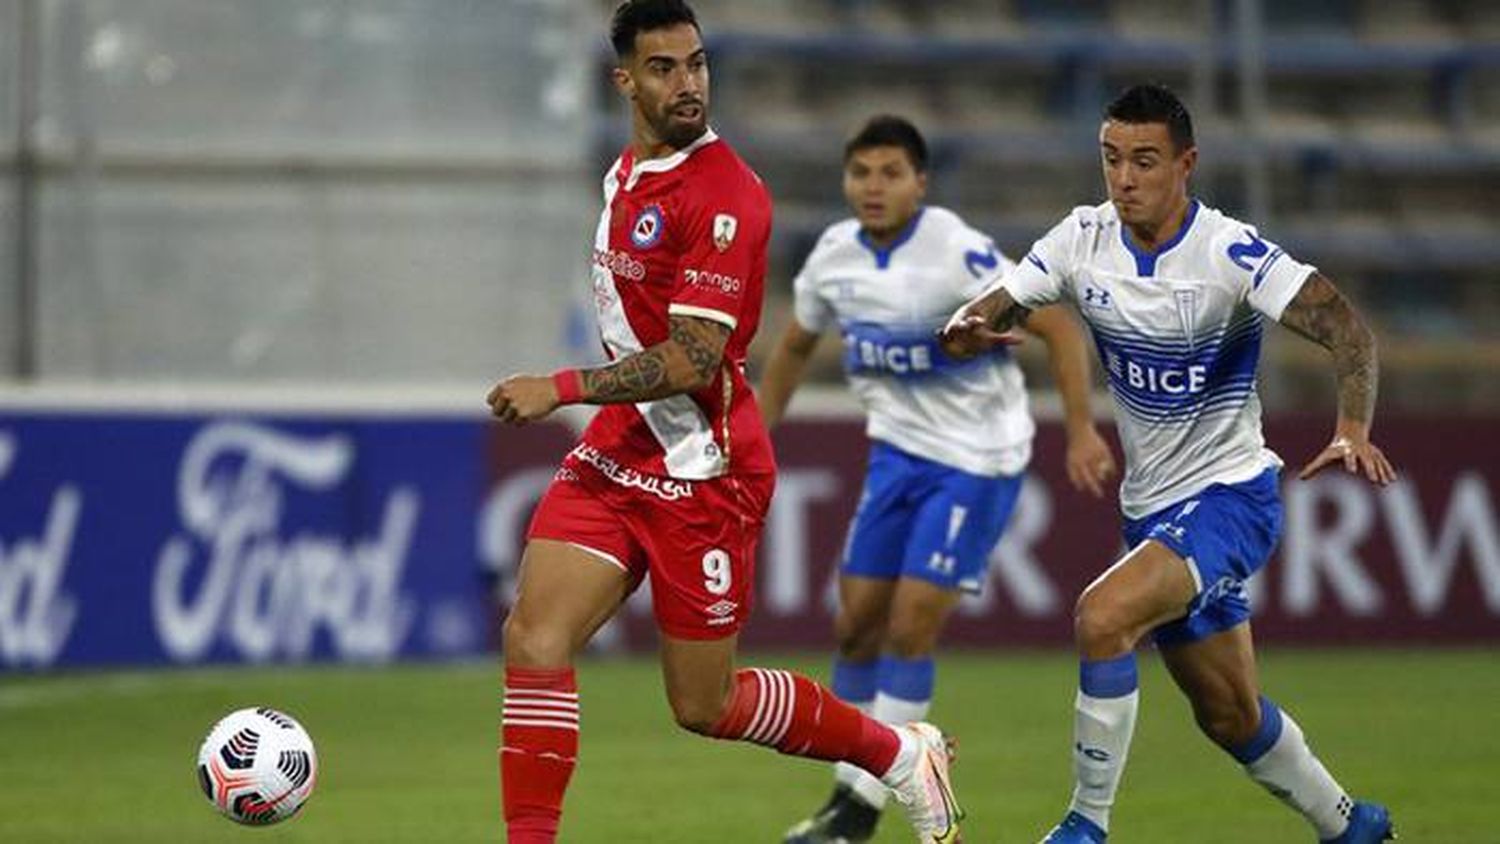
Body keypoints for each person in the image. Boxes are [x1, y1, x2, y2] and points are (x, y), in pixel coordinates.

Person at [485, 3, 962, 842]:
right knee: (533, 638)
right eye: (664, 68)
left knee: (704, 705)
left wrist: (560, 385)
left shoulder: (729, 196)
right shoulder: (626, 174)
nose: (688, 84)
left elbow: (695, 358)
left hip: (703, 469)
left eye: (697, 64)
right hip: (619, 451)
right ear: (624, 80)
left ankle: (896, 753)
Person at [941, 84, 1397, 844]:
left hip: (1232, 496)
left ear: (1186, 164)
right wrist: (963, 329)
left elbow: (1347, 329)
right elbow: (998, 307)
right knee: (1230, 715)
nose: (1125, 179)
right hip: (1151, 507)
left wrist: (1352, 426)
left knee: (1102, 616)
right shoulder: (1081, 239)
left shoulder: (1227, 250)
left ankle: (1085, 825)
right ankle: (1351, 826)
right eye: (1112, 159)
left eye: (1145, 161)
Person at [758, 114, 1114, 844]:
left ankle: (859, 812)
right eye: (862, 173)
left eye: (891, 174)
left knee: (909, 623)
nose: (874, 187)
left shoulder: (955, 250)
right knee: (855, 628)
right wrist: (756, 436)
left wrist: (1079, 427)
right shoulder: (832, 259)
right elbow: (794, 345)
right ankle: (849, 795)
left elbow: (1058, 328)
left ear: (920, 182)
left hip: (977, 459)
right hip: (896, 454)